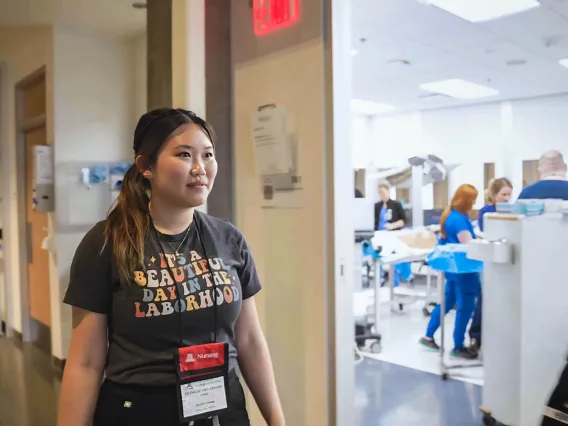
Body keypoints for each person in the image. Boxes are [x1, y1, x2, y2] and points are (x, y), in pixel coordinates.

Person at [58, 109, 285, 426]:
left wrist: (276, 419)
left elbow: (249, 340)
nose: (200, 168)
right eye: (183, 155)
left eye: (207, 155)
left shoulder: (229, 240)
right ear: (145, 166)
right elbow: (85, 361)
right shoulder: (107, 242)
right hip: (137, 410)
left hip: (221, 408)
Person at [419, 184, 480, 360]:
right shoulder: (460, 219)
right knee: (465, 308)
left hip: (453, 270)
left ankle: (428, 336)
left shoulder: (450, 215)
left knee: (446, 303)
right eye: (473, 200)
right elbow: (470, 245)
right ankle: (458, 346)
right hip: (464, 270)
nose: (474, 204)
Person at [468, 178, 512, 353]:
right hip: (490, 262)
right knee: (484, 299)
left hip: (507, 262)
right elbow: (489, 233)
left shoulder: (512, 211)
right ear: (494, 195)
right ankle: (475, 336)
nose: (507, 198)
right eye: (503, 195)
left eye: (509, 194)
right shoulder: (486, 212)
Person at [373, 181, 411, 285]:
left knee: (393, 260)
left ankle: (395, 283)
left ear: (388, 191)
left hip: (392, 236)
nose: (381, 195)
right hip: (380, 236)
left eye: (383, 192)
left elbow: (403, 221)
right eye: (379, 193)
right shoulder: (377, 206)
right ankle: (379, 279)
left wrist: (393, 225)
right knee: (378, 258)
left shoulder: (396, 205)